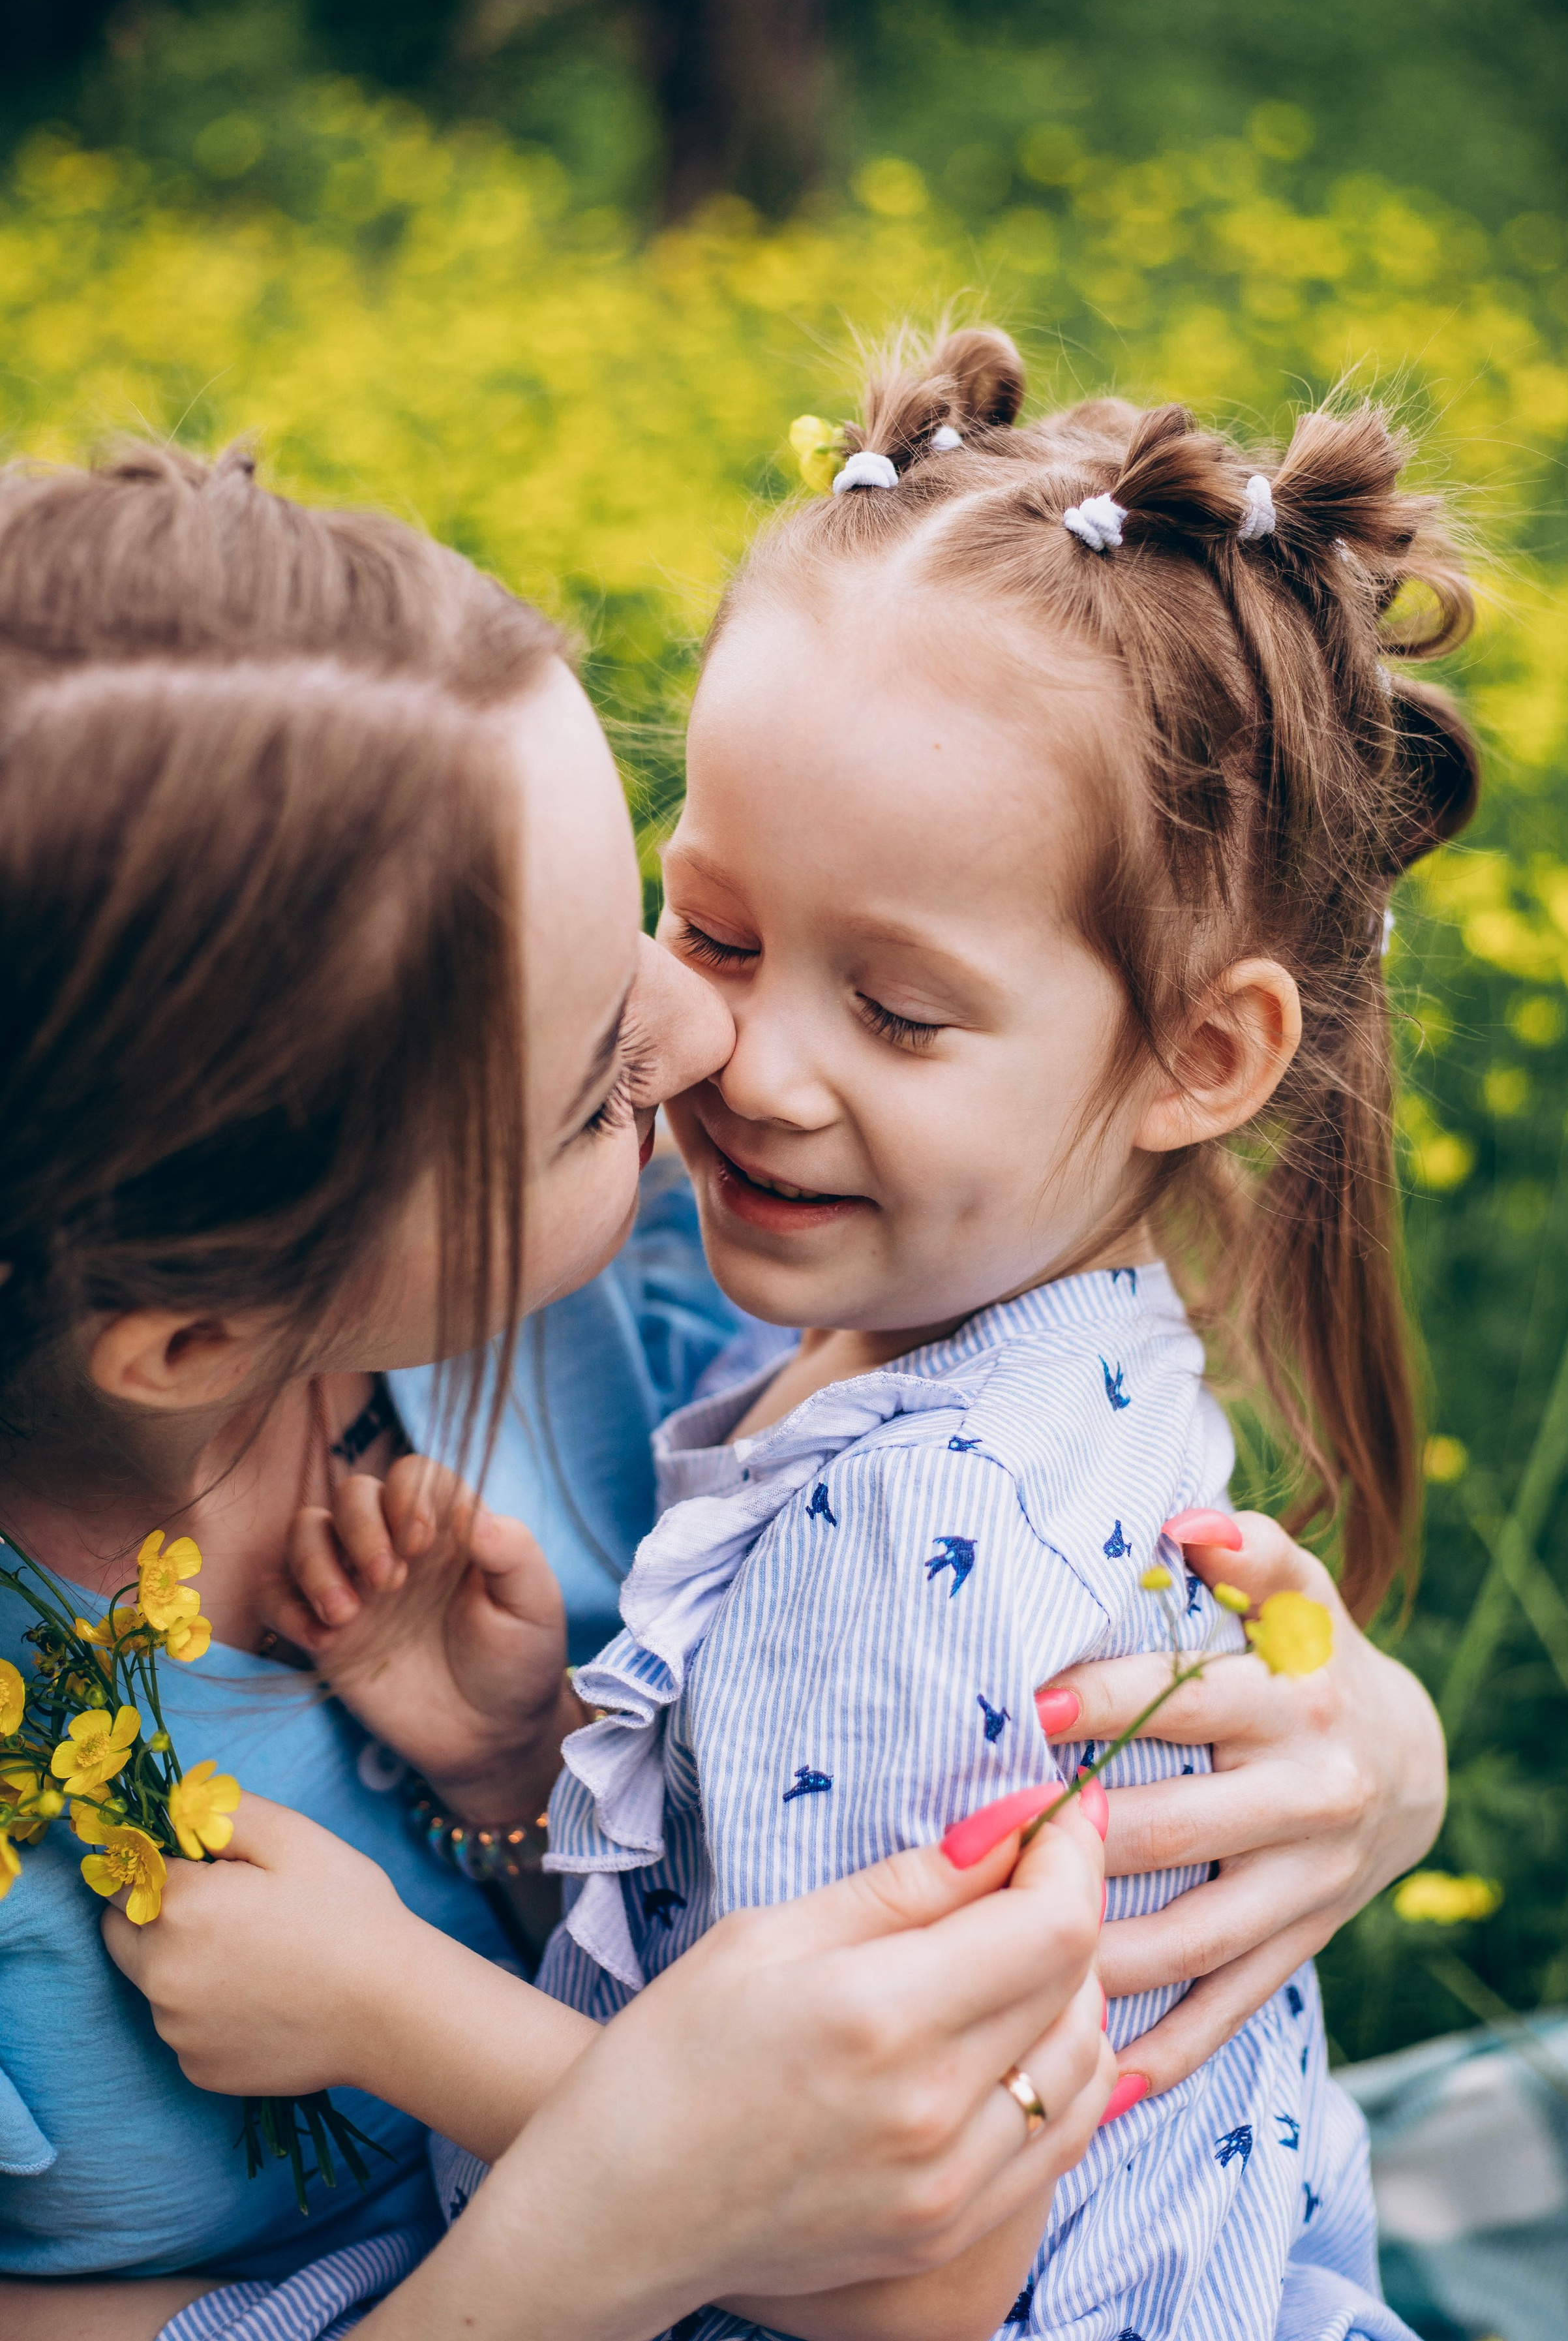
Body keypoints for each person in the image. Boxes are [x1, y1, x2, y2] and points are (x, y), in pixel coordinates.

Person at [0, 438, 1442, 2341]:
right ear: (192, 1333)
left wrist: (1376, 1752)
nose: (709, 1047)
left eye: (654, 927)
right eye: (603, 1069)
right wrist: (550, 2183)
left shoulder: (724, 1280)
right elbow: (862, 2234)